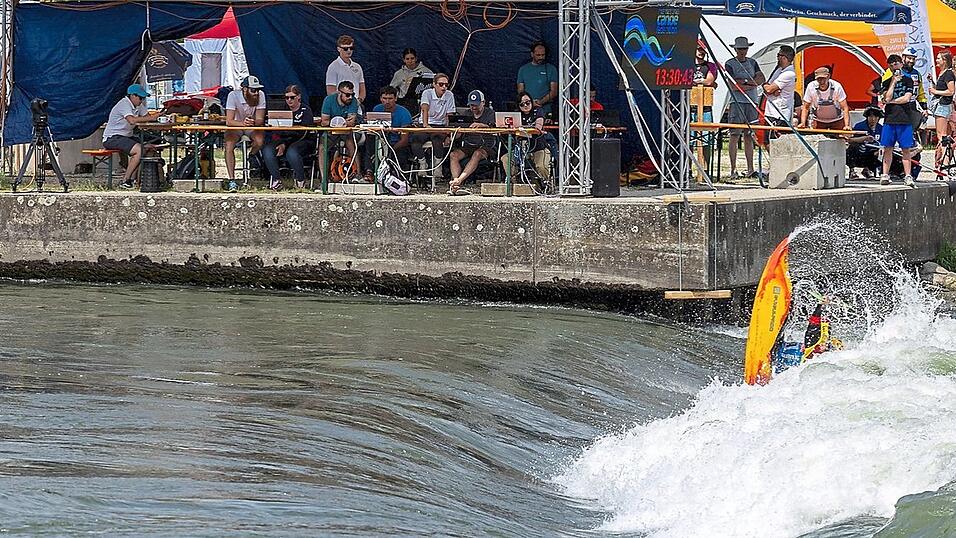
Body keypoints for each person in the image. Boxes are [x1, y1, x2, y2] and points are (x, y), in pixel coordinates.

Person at [102, 84, 165, 189]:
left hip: (126, 136)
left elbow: (147, 117)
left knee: (149, 147)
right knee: (139, 150)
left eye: (143, 98)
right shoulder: (124, 104)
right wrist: (152, 117)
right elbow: (132, 120)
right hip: (112, 137)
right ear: (132, 96)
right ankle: (126, 180)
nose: (142, 100)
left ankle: (138, 180)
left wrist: (160, 114)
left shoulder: (138, 106)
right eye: (140, 98)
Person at [724, 36, 765, 180]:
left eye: (745, 48)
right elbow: (733, 85)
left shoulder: (753, 62)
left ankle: (750, 168)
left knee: (749, 135)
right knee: (734, 135)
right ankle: (733, 169)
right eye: (740, 49)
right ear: (735, 49)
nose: (743, 51)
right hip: (737, 102)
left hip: (751, 102)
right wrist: (751, 82)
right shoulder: (730, 64)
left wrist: (745, 82)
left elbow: (761, 79)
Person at [261, 84, 315, 190]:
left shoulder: (305, 110)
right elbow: (276, 130)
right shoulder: (281, 109)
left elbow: (304, 133)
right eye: (286, 98)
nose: (289, 100)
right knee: (267, 149)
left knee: (292, 152)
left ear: (299, 97)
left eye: (292, 97)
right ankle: (276, 180)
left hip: (303, 140)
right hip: (284, 139)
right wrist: (282, 142)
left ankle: (300, 181)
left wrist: (285, 143)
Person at [448, 89, 496, 194]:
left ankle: (458, 181)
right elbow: (460, 132)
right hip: (469, 144)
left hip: (486, 146)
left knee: (477, 153)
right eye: (471, 105)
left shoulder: (490, 113)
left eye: (476, 105)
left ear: (483, 103)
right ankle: (456, 183)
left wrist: (483, 126)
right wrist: (456, 134)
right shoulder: (467, 113)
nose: (473, 107)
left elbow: (495, 128)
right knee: (453, 155)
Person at [224, 75, 267, 192]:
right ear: (244, 89)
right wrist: (243, 123)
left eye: (258, 90)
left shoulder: (261, 95)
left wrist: (252, 122)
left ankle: (252, 156)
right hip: (236, 126)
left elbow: (260, 119)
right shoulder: (233, 95)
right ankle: (231, 179)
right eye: (253, 90)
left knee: (259, 141)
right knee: (228, 145)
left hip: (252, 126)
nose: (256, 93)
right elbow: (229, 121)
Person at [411, 72, 455, 178]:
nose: (444, 87)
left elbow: (450, 114)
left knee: (437, 139)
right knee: (415, 139)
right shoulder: (427, 92)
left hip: (440, 124)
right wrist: (426, 125)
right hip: (426, 123)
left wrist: (449, 133)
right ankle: (422, 164)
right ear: (434, 84)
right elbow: (424, 108)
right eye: (441, 84)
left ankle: (437, 166)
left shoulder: (449, 95)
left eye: (446, 85)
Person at [505, 90, 556, 180]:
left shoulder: (538, 111)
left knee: (542, 166)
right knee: (506, 159)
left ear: (531, 102)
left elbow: (538, 128)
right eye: (522, 104)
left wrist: (522, 129)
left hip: (538, 148)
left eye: (527, 102)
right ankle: (514, 183)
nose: (525, 105)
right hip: (521, 149)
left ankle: (545, 185)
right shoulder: (516, 115)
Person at [880, 62, 916, 186]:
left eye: (897, 67)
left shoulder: (908, 81)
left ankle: (908, 175)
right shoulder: (886, 82)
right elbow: (886, 98)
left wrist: (891, 101)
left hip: (904, 119)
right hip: (889, 119)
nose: (896, 70)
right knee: (887, 148)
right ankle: (885, 174)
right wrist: (893, 82)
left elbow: (906, 98)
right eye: (893, 68)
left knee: (905, 149)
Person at [320, 80, 363, 181]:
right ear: (339, 93)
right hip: (331, 131)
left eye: (352, 94)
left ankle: (357, 174)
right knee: (322, 147)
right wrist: (341, 121)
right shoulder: (328, 100)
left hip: (347, 132)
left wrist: (335, 121)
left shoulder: (353, 101)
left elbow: (351, 122)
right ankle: (324, 179)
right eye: (347, 95)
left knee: (351, 143)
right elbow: (324, 122)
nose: (350, 97)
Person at [367, 85, 413, 171]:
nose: (387, 101)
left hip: (396, 144)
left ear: (395, 98)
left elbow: (404, 140)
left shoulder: (404, 113)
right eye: (384, 98)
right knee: (368, 144)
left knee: (401, 154)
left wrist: (389, 151)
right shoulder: (377, 109)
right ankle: (369, 172)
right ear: (381, 99)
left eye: (390, 98)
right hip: (380, 142)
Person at [799, 67, 850, 132]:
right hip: (818, 121)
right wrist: (802, 123)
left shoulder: (837, 87)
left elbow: (845, 108)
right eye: (819, 79)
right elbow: (805, 107)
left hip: (837, 120)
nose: (822, 82)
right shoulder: (811, 87)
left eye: (823, 79)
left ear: (828, 76)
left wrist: (847, 125)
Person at [929, 49, 955, 177]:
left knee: (942, 136)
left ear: (945, 61)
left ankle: (945, 164)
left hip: (943, 106)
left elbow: (951, 91)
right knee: (943, 136)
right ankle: (943, 163)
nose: (937, 60)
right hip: (942, 105)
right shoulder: (942, 73)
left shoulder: (948, 74)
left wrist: (935, 91)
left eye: (939, 58)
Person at [516, 41, 558, 116]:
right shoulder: (523, 69)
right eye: (538, 55)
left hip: (546, 110)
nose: (541, 57)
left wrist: (540, 102)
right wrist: (530, 103)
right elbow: (520, 91)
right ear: (532, 54)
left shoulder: (551, 69)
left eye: (543, 55)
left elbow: (554, 92)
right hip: (527, 110)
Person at [762, 45, 797, 129]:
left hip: (779, 114)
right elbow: (769, 87)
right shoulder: (779, 70)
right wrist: (771, 89)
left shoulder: (788, 74)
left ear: (784, 58)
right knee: (768, 141)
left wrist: (764, 85)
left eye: (778, 55)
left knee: (775, 140)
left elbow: (768, 89)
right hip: (771, 112)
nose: (777, 58)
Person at [901, 47, 929, 145]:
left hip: (912, 106)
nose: (911, 61)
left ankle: (911, 153)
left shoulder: (917, 73)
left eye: (913, 59)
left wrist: (924, 108)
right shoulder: (894, 71)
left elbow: (920, 93)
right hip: (898, 107)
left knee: (910, 131)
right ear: (903, 57)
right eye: (909, 58)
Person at [326, 34, 366, 103]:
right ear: (338, 49)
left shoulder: (357, 66)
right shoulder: (333, 67)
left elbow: (362, 88)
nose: (349, 51)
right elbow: (330, 91)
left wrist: (359, 101)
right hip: (340, 106)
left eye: (351, 48)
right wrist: (342, 102)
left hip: (356, 105)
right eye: (345, 49)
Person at [846, 107, 883, 179]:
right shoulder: (859, 126)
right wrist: (863, 139)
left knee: (882, 152)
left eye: (875, 116)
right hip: (860, 151)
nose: (873, 119)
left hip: (872, 152)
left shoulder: (881, 128)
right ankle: (852, 170)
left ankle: (868, 170)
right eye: (871, 116)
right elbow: (850, 140)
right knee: (852, 148)